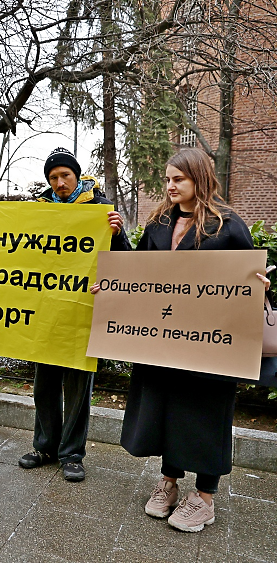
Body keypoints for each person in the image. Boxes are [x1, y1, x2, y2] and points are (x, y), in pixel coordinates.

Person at [112, 148, 269, 532]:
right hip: (165, 341)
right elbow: (139, 273)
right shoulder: (158, 224)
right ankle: (169, 480)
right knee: (167, 408)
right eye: (166, 180)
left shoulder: (229, 226)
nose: (169, 187)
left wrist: (260, 285)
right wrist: (116, 244)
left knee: (205, 413)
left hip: (211, 347)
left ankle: (205, 497)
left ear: (199, 177)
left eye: (177, 179)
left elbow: (250, 279)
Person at [17, 147, 131, 482]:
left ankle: (72, 454)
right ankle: (44, 447)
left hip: (83, 313)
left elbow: (124, 260)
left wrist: (118, 233)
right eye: (53, 177)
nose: (59, 182)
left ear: (77, 176)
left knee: (79, 387)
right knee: (45, 386)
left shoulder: (98, 208)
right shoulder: (40, 210)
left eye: (65, 175)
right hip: (46, 313)